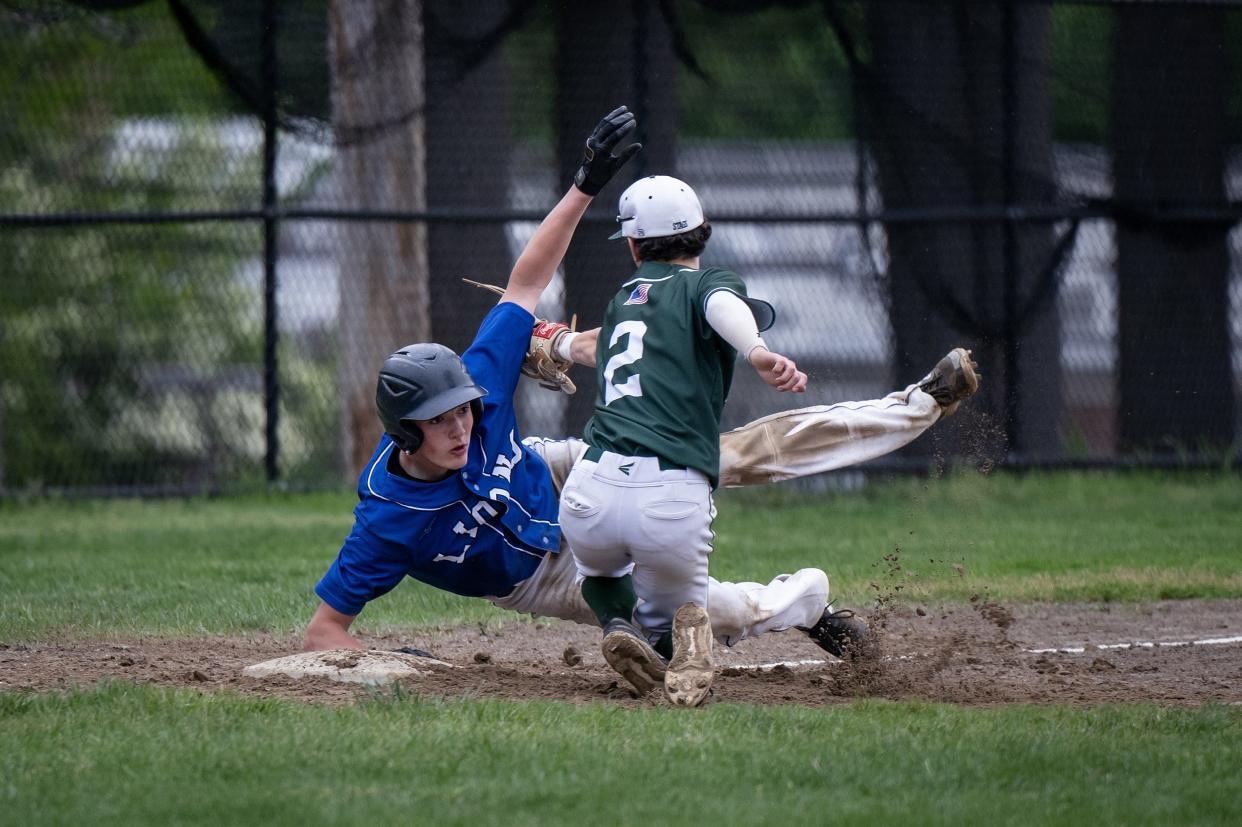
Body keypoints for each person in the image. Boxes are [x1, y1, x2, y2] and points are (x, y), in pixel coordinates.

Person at [302, 108, 982, 698]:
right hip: (543, 577)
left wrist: (583, 185)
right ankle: (802, 603)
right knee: (695, 617)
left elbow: (525, 281)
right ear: (401, 434)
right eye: (441, 419)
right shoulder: (386, 521)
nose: (462, 423)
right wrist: (398, 666)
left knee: (741, 451)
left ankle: (915, 405)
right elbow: (324, 633)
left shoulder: (475, 391)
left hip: (562, 472)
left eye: (464, 409)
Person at [558, 174, 810, 706]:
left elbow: (593, 351)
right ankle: (680, 634)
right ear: (703, 232)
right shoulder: (705, 284)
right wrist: (758, 352)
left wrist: (554, 343)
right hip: (669, 493)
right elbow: (721, 304)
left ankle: (615, 625)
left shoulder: (622, 300)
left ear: (632, 246)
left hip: (590, 489)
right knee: (671, 619)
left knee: (596, 570)